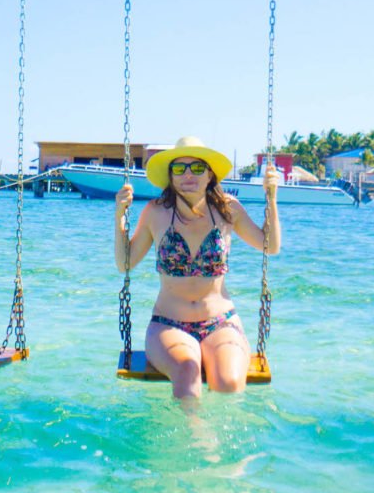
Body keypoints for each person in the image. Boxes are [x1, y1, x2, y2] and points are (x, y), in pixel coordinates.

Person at [115, 136, 281, 399]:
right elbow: (125, 263)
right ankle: (197, 439)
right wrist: (119, 217)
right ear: (170, 177)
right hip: (168, 325)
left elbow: (269, 246)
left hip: (221, 323)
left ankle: (215, 437)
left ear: (210, 175)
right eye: (179, 169)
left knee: (228, 383)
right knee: (186, 371)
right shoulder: (155, 212)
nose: (188, 175)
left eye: (197, 168)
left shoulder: (228, 210)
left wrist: (271, 199)